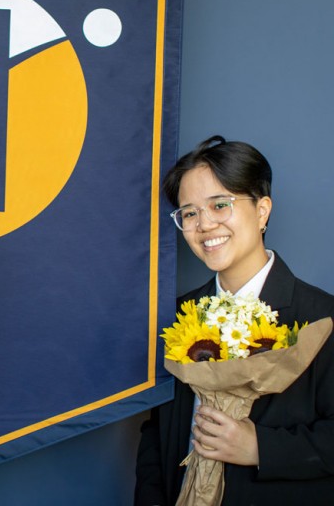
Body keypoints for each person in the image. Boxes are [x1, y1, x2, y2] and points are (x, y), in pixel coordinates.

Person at [135, 136, 334, 505]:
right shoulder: (177, 316)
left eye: (220, 205)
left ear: (262, 211)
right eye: (190, 213)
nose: (204, 225)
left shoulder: (322, 317)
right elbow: (156, 435)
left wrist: (259, 447)